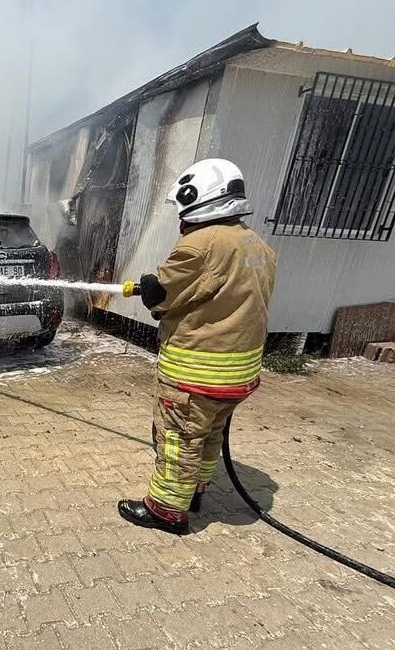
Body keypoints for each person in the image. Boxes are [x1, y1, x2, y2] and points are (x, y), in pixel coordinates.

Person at [118, 159, 276, 534]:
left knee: (178, 439)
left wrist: (152, 291)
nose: (180, 217)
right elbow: (218, 293)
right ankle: (197, 490)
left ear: (199, 199)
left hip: (196, 371)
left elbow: (166, 296)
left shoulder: (199, 244)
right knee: (208, 435)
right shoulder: (256, 244)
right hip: (239, 373)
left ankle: (167, 511)